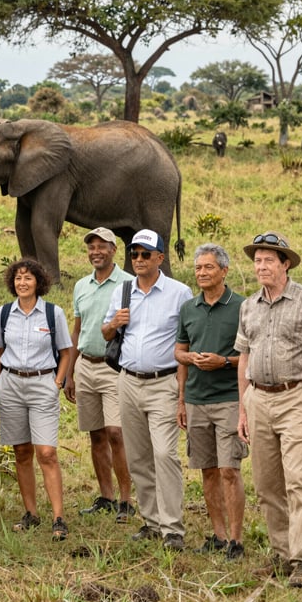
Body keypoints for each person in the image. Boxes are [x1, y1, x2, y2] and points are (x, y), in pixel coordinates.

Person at [235, 231, 302, 587]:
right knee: (266, 483)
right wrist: (243, 409)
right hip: (258, 399)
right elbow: (243, 357)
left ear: (285, 264)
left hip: (296, 398)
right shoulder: (249, 306)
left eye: (268, 261)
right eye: (257, 261)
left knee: (297, 479)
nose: (261, 266)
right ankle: (281, 555)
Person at [102, 229, 193, 550]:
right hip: (127, 381)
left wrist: (182, 393)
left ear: (160, 258)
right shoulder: (124, 290)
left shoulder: (180, 293)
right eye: (134, 254)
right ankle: (152, 522)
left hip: (164, 382)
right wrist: (114, 324)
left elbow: (186, 343)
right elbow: (105, 332)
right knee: (138, 456)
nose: (138, 260)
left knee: (165, 454)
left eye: (145, 254)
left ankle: (173, 529)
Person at [0, 258, 74, 541]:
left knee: (46, 453)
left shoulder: (53, 313)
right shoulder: (3, 314)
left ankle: (58, 517)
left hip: (42, 384)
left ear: (39, 282)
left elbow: (65, 351)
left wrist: (58, 383)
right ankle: (31, 513)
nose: (22, 283)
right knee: (21, 452)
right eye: (18, 278)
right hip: (10, 385)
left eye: (27, 278)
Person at [175, 244, 247, 560]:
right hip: (195, 399)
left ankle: (236, 540)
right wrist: (181, 397)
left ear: (224, 271)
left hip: (230, 399)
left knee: (229, 469)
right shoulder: (189, 308)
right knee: (207, 470)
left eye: (208, 267)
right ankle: (218, 535)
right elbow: (178, 352)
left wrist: (225, 362)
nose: (202, 273)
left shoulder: (243, 307)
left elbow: (249, 356)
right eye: (199, 268)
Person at [64, 227, 135, 523]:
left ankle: (126, 499)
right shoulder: (81, 285)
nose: (95, 251)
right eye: (91, 247)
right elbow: (77, 329)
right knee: (95, 434)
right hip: (86, 365)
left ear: (114, 250)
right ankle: (105, 496)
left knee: (116, 433)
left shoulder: (129, 284)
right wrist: (69, 373)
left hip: (113, 366)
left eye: (101, 246)